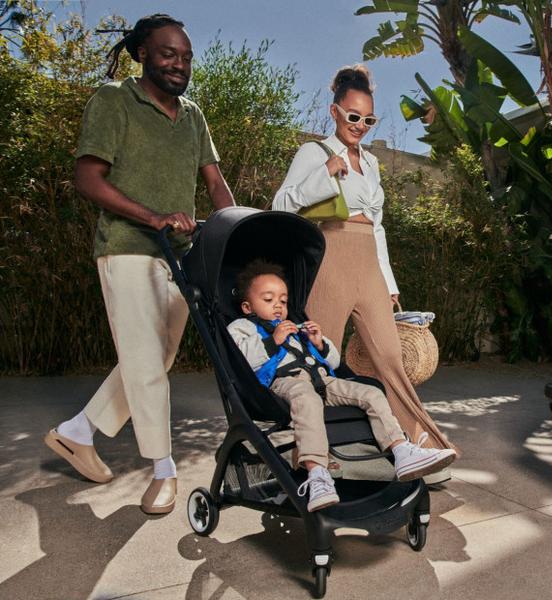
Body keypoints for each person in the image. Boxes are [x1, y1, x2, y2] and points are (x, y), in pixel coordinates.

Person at [44, 14, 235, 514]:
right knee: (146, 361)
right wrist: (153, 217)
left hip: (181, 256)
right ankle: (163, 470)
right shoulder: (113, 100)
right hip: (127, 245)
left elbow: (215, 183)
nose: (179, 64)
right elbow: (88, 179)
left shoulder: (192, 115)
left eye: (186, 57)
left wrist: (234, 231)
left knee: (157, 357)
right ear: (143, 53)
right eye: (168, 54)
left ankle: (78, 431)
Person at [272, 65, 457, 482]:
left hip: (368, 263)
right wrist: (325, 173)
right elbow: (281, 205)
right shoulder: (314, 153)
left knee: (391, 358)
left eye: (368, 119)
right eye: (353, 116)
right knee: (319, 359)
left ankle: (417, 446)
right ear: (335, 111)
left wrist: (388, 283)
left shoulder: (371, 162)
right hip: (329, 259)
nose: (360, 125)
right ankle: (311, 459)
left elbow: (378, 227)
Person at [227, 259, 456, 511]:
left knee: (371, 393)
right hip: (285, 384)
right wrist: (273, 340)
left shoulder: (295, 327)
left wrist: (319, 343)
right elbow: (241, 360)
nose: (278, 306)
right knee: (307, 399)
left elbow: (333, 362)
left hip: (323, 380)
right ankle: (317, 474)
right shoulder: (242, 327)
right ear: (247, 306)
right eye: (268, 299)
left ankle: (401, 451)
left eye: (283, 300)